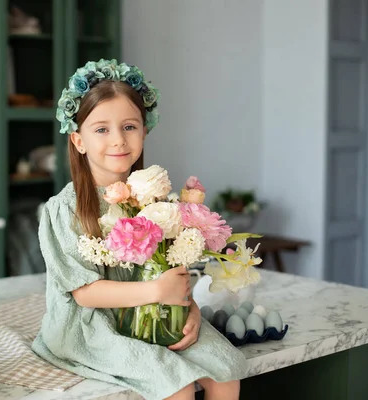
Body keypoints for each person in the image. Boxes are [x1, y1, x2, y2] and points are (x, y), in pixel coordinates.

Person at [32, 59, 247, 400]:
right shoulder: (64, 209)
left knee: (225, 373)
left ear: (144, 131)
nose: (118, 139)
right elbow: (84, 293)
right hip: (88, 325)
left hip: (150, 310)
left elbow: (169, 269)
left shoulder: (156, 200)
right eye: (101, 129)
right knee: (175, 386)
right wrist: (157, 294)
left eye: (129, 126)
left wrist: (186, 307)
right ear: (78, 140)